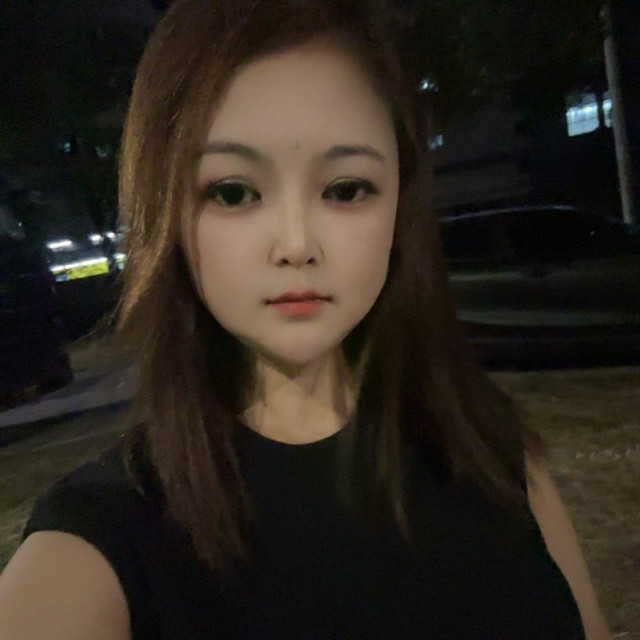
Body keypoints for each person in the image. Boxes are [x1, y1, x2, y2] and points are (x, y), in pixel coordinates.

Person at [0, 0, 614, 638]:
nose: (296, 244)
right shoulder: (102, 541)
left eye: (346, 189)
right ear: (166, 212)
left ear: (400, 204)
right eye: (234, 192)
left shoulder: (494, 453)